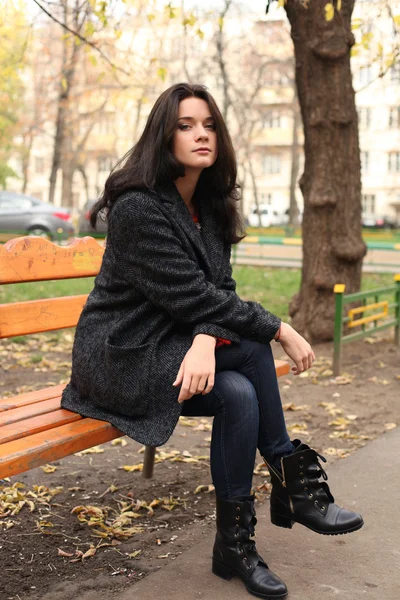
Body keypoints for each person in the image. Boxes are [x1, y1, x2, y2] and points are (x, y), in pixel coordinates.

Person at [61, 82, 363, 599]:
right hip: (120, 355)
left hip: (173, 343)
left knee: (241, 392)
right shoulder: (137, 209)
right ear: (163, 135)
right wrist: (281, 328)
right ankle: (291, 482)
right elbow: (197, 297)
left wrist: (204, 339)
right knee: (251, 347)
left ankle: (234, 546)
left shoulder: (212, 204)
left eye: (208, 124)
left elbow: (216, 294)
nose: (201, 134)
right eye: (185, 125)